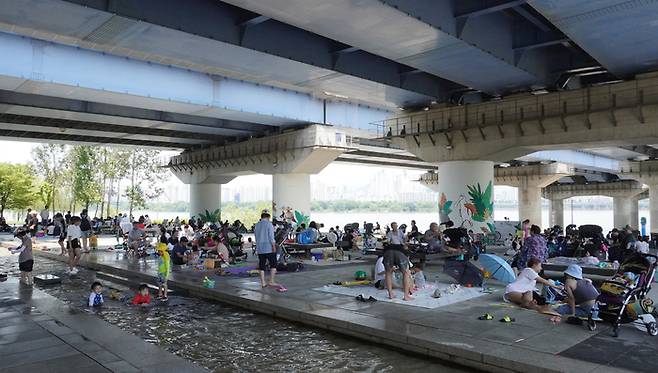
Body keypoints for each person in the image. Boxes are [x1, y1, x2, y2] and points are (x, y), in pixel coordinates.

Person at [383, 222, 413, 301]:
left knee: (388, 272)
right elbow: (403, 242)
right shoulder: (390, 233)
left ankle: (390, 294)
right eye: (394, 226)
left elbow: (389, 242)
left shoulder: (400, 232)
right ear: (392, 227)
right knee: (405, 273)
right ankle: (406, 296)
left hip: (388, 250)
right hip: (399, 250)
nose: (395, 227)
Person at [254, 210, 280, 289]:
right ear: (268, 216)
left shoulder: (257, 225)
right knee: (273, 264)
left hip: (260, 248)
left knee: (262, 264)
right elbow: (271, 237)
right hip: (268, 247)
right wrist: (274, 246)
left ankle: (263, 283)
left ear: (261, 216)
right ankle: (271, 281)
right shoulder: (269, 224)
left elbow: (256, 236)